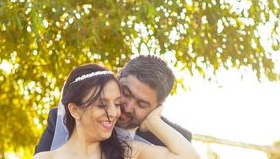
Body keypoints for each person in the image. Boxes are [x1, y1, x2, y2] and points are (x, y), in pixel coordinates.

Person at [33, 63, 199, 159]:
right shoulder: (44, 158)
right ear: (75, 110)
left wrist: (154, 122)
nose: (114, 113)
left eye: (117, 103)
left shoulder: (127, 151)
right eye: (102, 105)